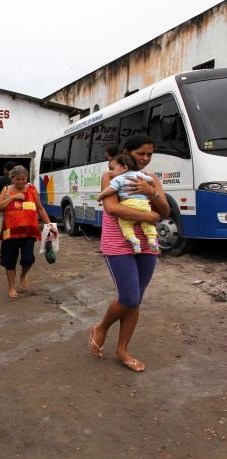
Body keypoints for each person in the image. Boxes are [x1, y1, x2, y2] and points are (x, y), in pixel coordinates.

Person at [89, 134, 170, 373]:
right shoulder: (112, 175)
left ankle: (122, 349)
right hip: (118, 243)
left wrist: (150, 191)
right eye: (140, 153)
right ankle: (101, 327)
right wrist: (149, 216)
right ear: (127, 153)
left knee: (135, 300)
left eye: (149, 154)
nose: (145, 158)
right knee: (130, 297)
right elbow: (112, 208)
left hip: (147, 244)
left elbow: (164, 210)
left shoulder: (151, 178)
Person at [0, 165, 57, 298]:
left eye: (23, 179)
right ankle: (11, 287)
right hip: (10, 233)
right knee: (10, 261)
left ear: (26, 177)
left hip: (29, 232)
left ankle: (23, 275)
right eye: (17, 179)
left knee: (29, 259)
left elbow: (40, 209)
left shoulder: (32, 190)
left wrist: (49, 224)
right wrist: (13, 197)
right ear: (12, 178)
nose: (21, 182)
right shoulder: (6, 190)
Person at [96, 153, 159, 253]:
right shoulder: (140, 175)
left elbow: (111, 190)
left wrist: (100, 196)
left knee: (125, 224)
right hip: (144, 205)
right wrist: (151, 188)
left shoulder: (118, 179)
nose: (110, 172)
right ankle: (151, 240)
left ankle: (133, 240)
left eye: (112, 169)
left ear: (124, 167)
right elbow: (151, 180)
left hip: (129, 204)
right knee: (147, 224)